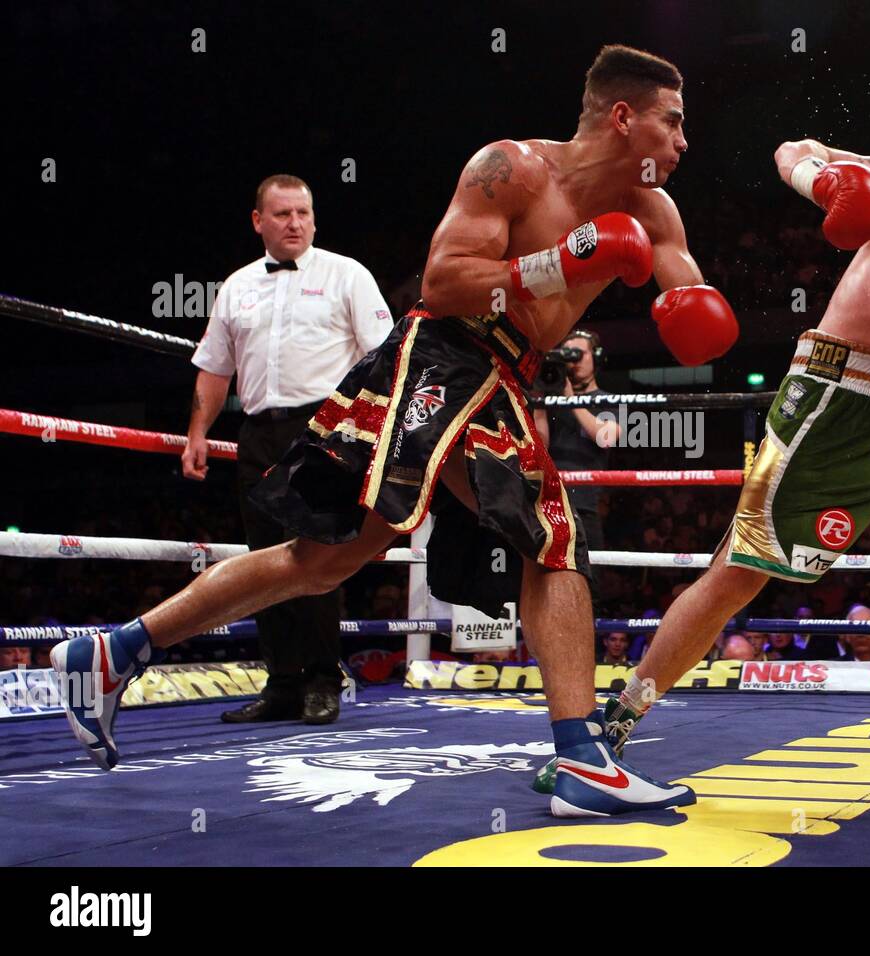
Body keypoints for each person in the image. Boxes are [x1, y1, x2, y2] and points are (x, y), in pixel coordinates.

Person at [53, 44, 737, 819]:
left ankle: (110, 651)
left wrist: (697, 313)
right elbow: (444, 284)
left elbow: (699, 317)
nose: (684, 144)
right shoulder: (509, 167)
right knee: (552, 534)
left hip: (510, 373)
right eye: (672, 123)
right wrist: (562, 259)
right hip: (445, 354)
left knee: (321, 563)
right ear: (623, 117)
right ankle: (582, 760)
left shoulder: (656, 212)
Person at [538, 116, 870, 791]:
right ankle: (609, 728)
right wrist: (824, 181)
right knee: (739, 573)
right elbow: (792, 147)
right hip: (834, 400)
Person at [185, 174, 394, 725]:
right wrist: (198, 431)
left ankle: (324, 679)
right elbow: (213, 368)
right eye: (282, 214)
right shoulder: (236, 286)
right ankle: (281, 683)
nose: (295, 223)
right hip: (256, 433)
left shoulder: (347, 274)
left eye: (303, 212)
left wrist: (368, 435)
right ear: (259, 221)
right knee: (260, 563)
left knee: (313, 557)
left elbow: (387, 360)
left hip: (325, 428)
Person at [533, 330, 618, 553]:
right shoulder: (552, 401)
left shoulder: (609, 400)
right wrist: (539, 403)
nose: (573, 362)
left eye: (578, 354)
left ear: (596, 357)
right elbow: (539, 446)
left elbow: (606, 437)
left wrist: (571, 400)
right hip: (547, 501)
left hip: (584, 505)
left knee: (590, 582)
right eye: (568, 356)